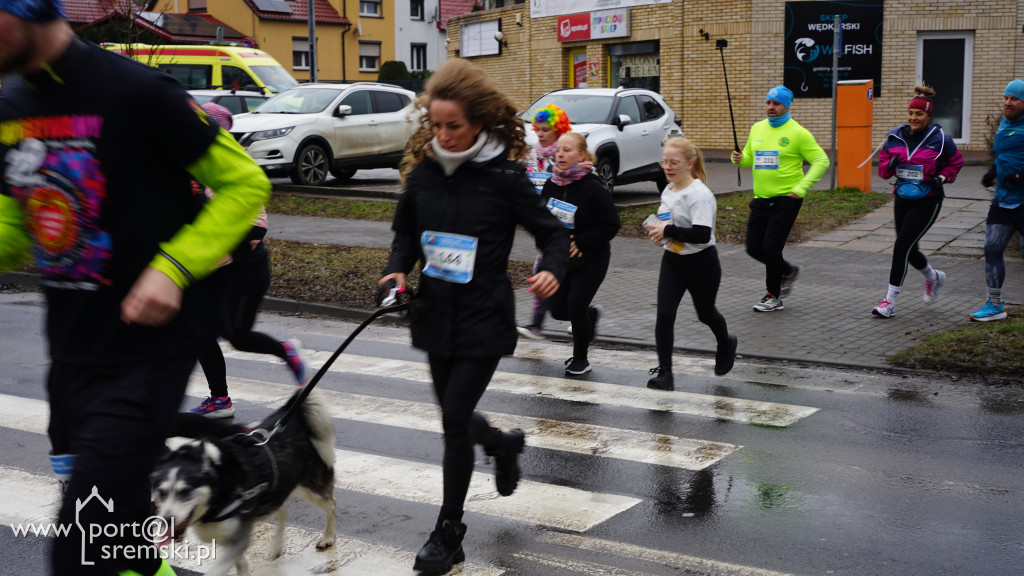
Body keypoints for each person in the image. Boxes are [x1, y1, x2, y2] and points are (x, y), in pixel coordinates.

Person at [0, 4, 270, 575]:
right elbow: (12, 232)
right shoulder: (12, 106)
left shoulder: (136, 91)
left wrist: (171, 268)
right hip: (70, 357)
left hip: (146, 356)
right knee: (126, 540)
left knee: (79, 552)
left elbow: (244, 184)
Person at [378, 58, 568, 576]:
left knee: (455, 419)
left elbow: (552, 233)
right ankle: (504, 444)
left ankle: (449, 534)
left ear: (478, 122)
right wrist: (397, 272)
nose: (444, 135)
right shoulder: (421, 179)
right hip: (435, 315)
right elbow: (404, 237)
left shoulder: (504, 179)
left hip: (484, 317)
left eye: (453, 126)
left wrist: (551, 269)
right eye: (436, 125)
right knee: (455, 420)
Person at [189, 102, 310, 418]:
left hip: (244, 267)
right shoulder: (193, 168)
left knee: (237, 336)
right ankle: (220, 400)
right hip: (209, 266)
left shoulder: (235, 167)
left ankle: (286, 351)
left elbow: (256, 228)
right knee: (198, 331)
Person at [644, 137, 737, 390]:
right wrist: (660, 234)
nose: (668, 167)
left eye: (674, 163)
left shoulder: (699, 195)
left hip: (702, 263)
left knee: (705, 314)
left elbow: (701, 234)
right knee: (664, 314)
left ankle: (726, 342)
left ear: (689, 163)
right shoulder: (668, 189)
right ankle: (665, 373)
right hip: (673, 261)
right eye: (665, 162)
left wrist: (668, 230)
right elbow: (668, 223)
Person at [731, 85, 829, 312]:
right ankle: (787, 271)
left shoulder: (798, 133)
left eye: (776, 104)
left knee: (771, 247)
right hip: (761, 198)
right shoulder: (757, 128)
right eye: (768, 103)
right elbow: (748, 158)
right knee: (754, 248)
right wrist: (739, 157)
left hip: (787, 198)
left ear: (787, 105)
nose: (771, 107)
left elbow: (821, 160)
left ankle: (773, 296)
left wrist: (802, 187)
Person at [873, 86, 963, 318]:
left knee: (901, 246)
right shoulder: (895, 138)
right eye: (911, 112)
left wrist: (941, 178)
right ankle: (934, 278)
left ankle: (889, 302)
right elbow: (883, 173)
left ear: (928, 115)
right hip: (902, 197)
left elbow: (955, 163)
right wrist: (891, 163)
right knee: (910, 249)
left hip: (928, 199)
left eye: (919, 114)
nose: (913, 117)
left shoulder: (941, 139)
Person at [541, 132, 620, 376]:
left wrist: (583, 240)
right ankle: (591, 315)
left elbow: (611, 224)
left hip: (592, 257)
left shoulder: (593, 187)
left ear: (582, 155)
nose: (561, 155)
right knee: (557, 310)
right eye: (558, 150)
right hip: (562, 258)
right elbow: (541, 219)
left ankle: (580, 359)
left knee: (575, 306)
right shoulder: (551, 183)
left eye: (567, 150)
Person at [517, 104, 572, 340]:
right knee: (545, 271)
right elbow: (528, 183)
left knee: (555, 274)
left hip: (567, 226)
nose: (539, 133)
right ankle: (579, 315)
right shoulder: (534, 156)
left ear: (558, 130)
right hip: (543, 222)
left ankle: (582, 314)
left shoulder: (565, 154)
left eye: (545, 129)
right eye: (537, 129)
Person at [971, 79, 1024, 321]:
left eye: (1014, 99)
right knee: (992, 248)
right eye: (1006, 98)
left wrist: (1020, 175)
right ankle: (994, 304)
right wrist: (993, 172)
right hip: (1003, 200)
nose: (1008, 103)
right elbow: (1003, 155)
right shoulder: (1004, 124)